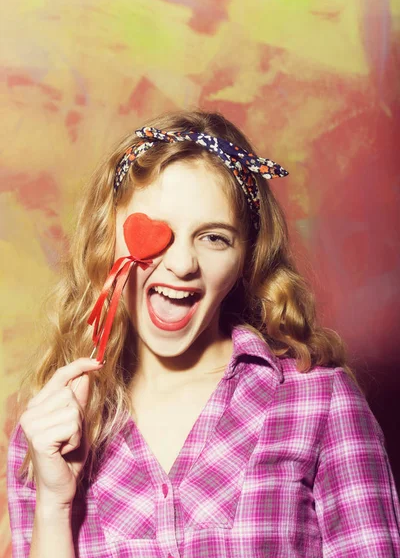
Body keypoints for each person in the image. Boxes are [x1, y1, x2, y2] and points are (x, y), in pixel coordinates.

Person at [7, 110, 400, 558]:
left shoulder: (320, 402)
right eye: (157, 232)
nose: (182, 264)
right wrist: (55, 506)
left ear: (245, 260)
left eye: (214, 238)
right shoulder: (50, 430)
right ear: (107, 237)